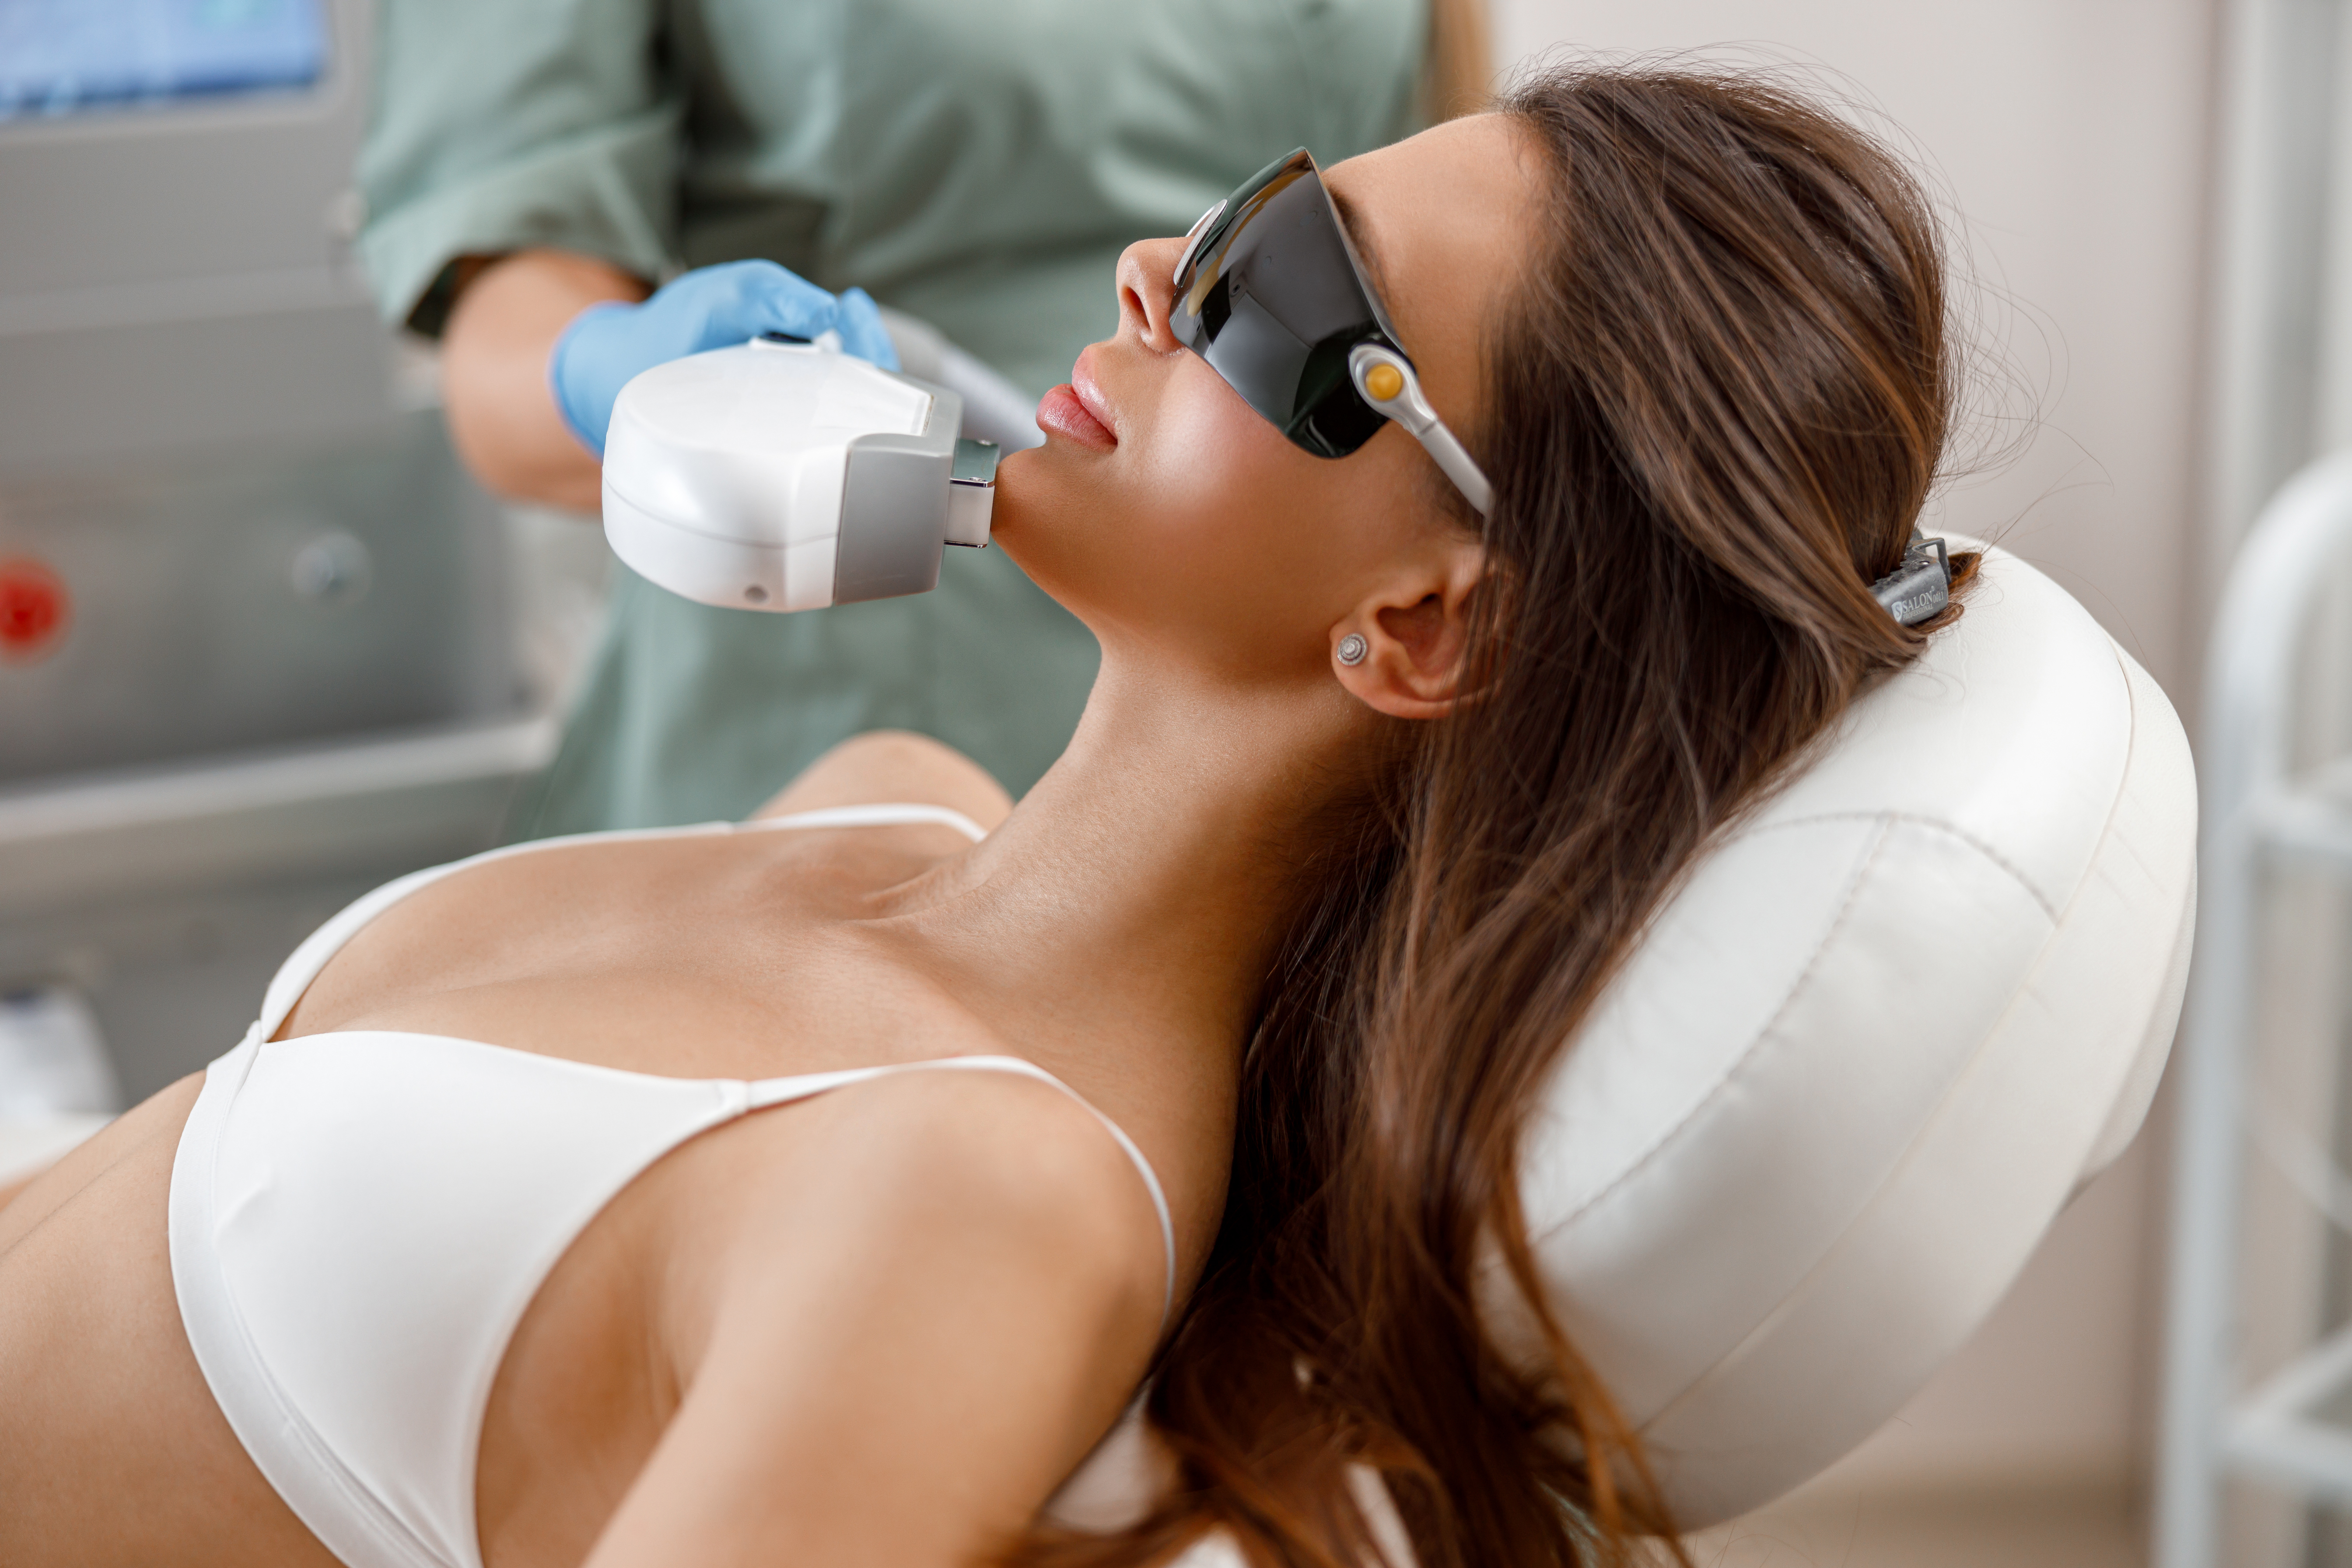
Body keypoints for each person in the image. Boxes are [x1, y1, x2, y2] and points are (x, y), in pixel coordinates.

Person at [0, 66, 1974, 1568]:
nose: (1150, 272)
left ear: (1424, 622)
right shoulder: (889, 812)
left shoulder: (989, 1205)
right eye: (1245, 209)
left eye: (1273, 288)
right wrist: (607, 373)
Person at [361, 0, 1493, 838]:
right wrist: (601, 372)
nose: (1147, 268)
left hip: (1308, 745)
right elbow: (502, 344)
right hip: (827, 672)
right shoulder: (858, 852)